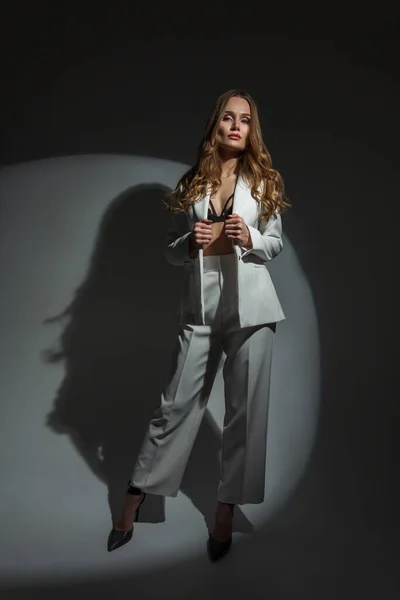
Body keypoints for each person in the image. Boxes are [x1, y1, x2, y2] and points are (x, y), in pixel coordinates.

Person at [107, 89, 290, 561]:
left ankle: (225, 508)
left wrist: (249, 236)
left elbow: (274, 245)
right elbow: (170, 251)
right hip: (202, 308)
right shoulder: (191, 183)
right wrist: (192, 240)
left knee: (245, 414)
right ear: (215, 125)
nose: (235, 126)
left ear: (252, 130)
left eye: (245, 120)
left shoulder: (266, 180)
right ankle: (135, 494)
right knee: (175, 404)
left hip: (253, 309)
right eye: (228, 118)